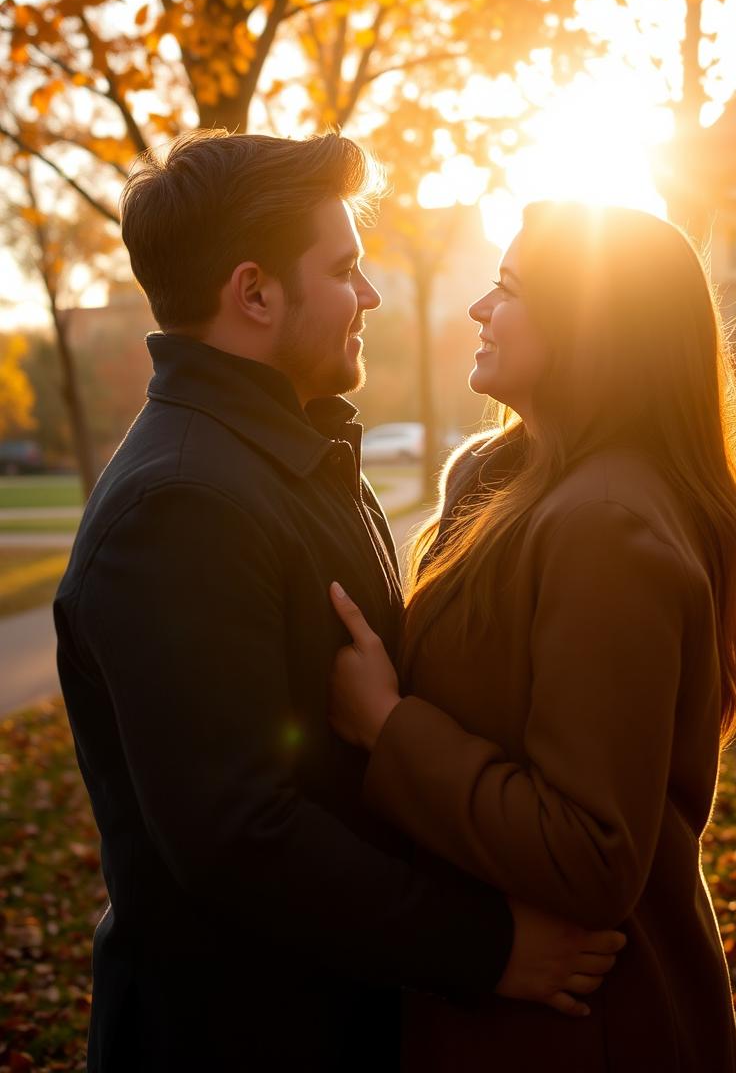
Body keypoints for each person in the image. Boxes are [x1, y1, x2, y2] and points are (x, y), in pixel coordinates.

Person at [55, 134, 625, 1073]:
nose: (370, 298)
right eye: (346, 270)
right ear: (255, 293)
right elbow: (241, 837)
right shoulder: (184, 504)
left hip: (332, 1010)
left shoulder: (292, 451)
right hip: (241, 1036)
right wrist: (488, 949)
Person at [328, 202, 736, 1072]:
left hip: (586, 1026)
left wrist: (388, 728)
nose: (477, 311)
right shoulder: (510, 480)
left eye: (507, 290)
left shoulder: (607, 530)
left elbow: (591, 853)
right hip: (497, 1012)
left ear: (591, 332)